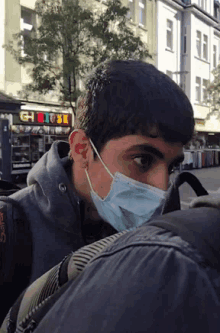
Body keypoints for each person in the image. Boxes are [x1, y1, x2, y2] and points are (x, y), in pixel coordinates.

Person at [7, 60, 193, 288]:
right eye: (142, 160)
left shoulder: (156, 228)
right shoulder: (11, 235)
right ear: (82, 149)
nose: (162, 187)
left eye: (171, 167)